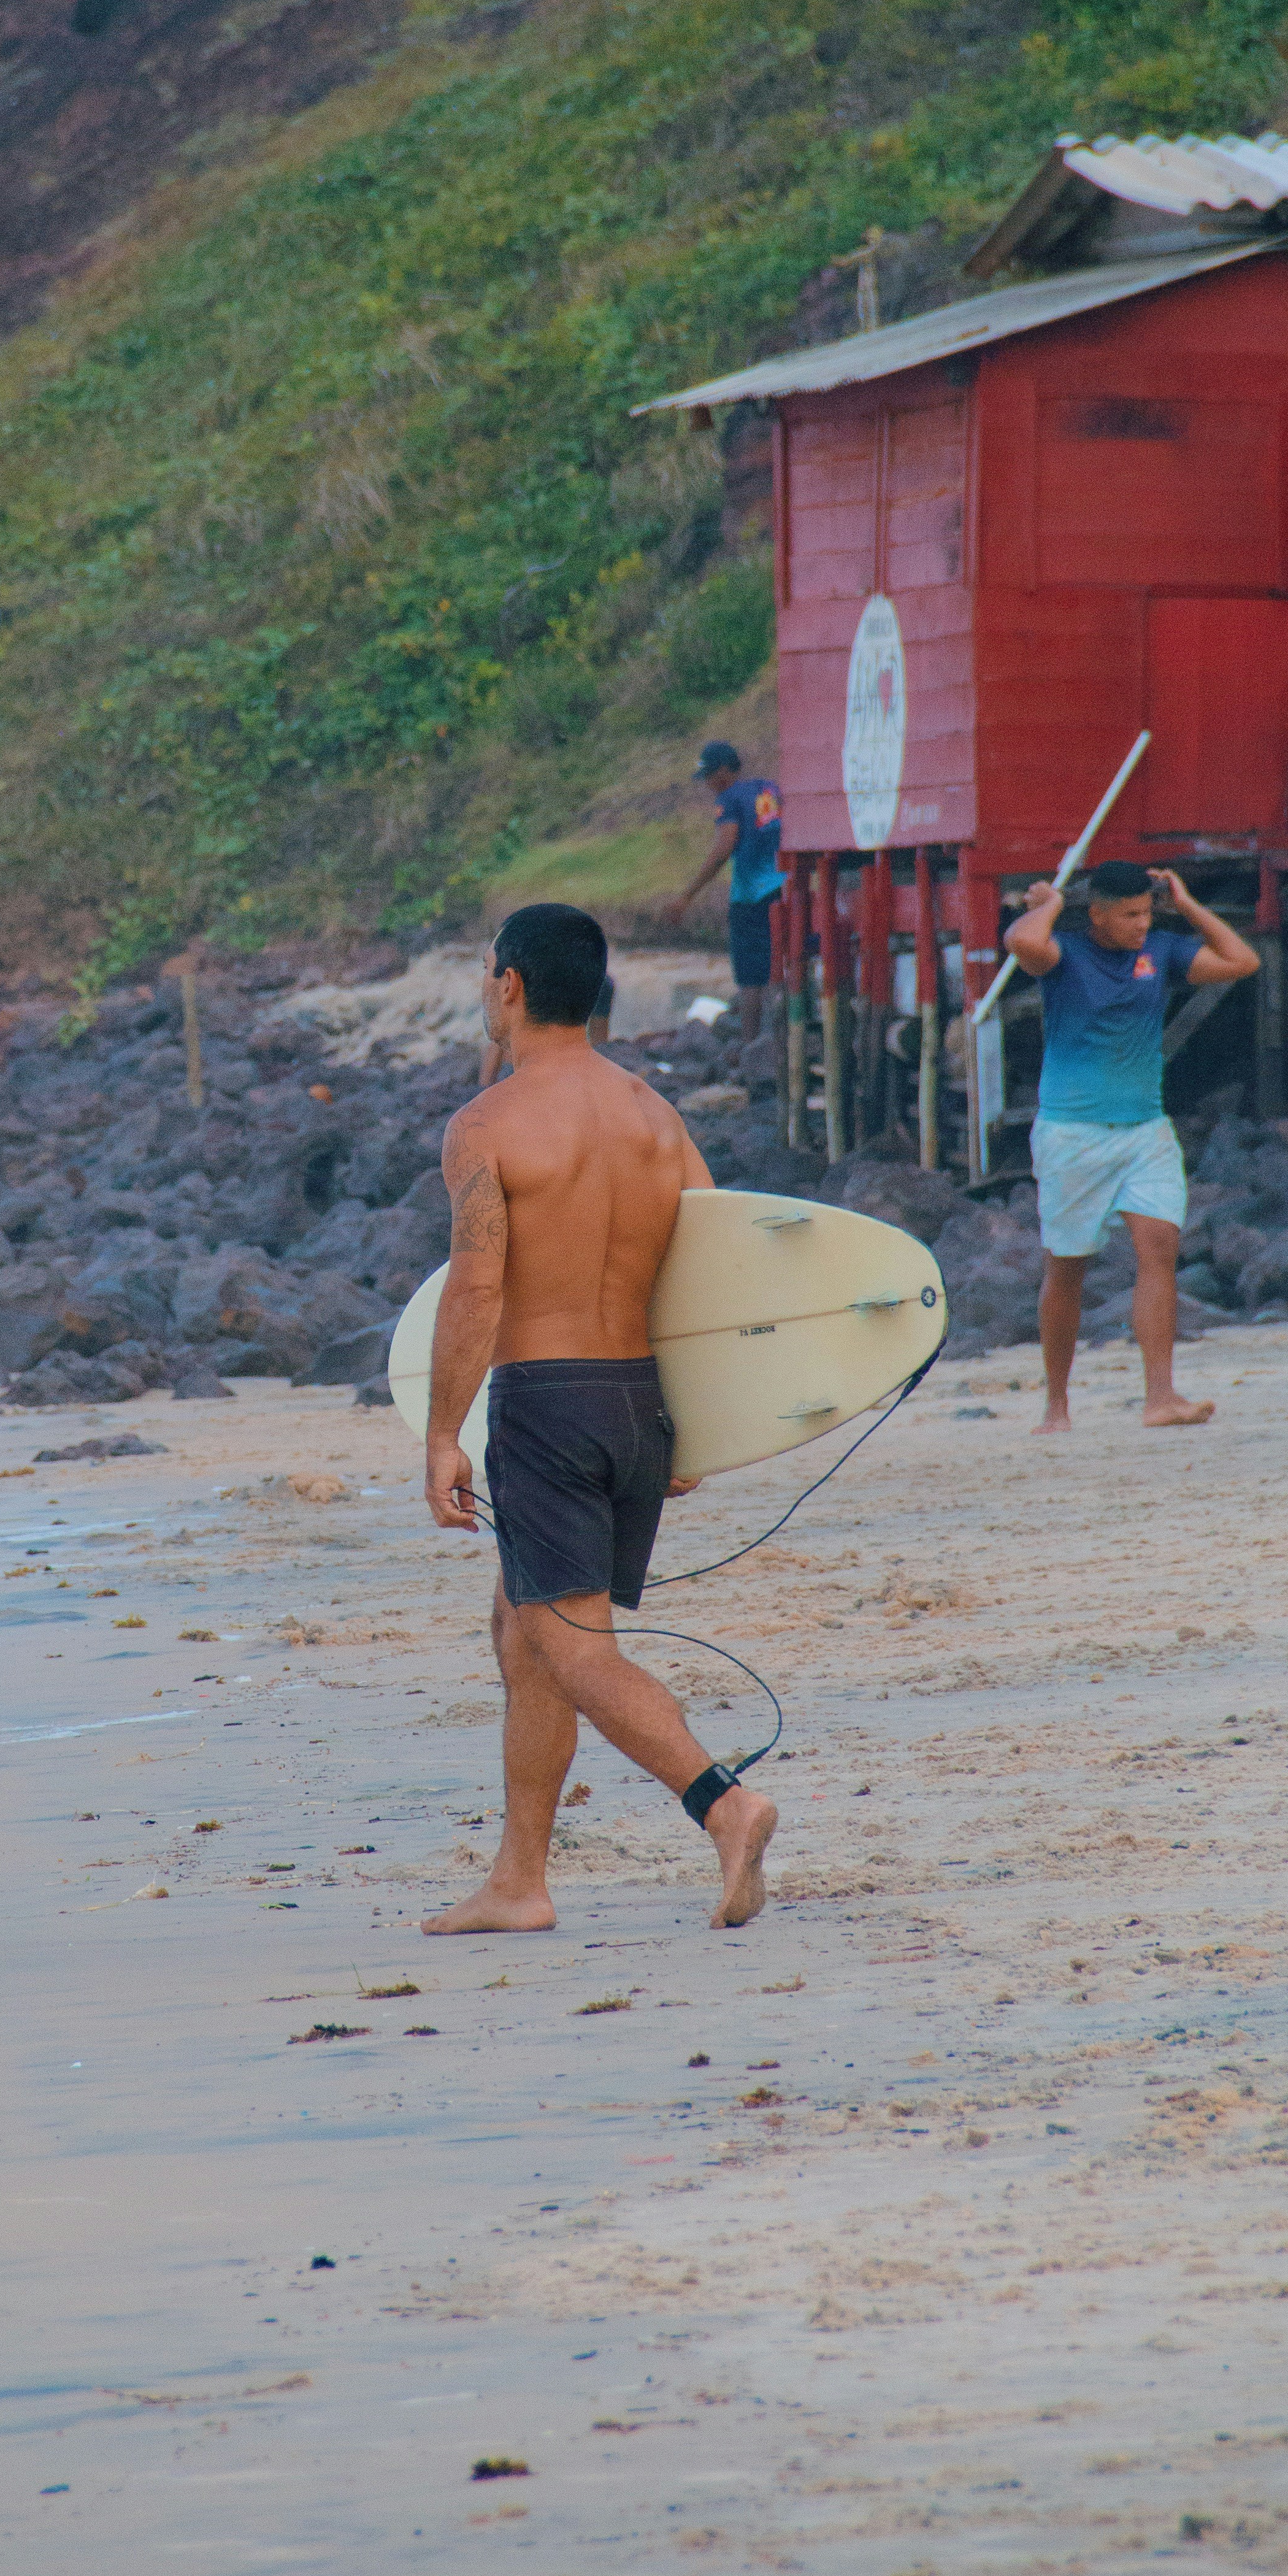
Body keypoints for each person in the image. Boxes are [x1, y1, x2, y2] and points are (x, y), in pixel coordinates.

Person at [421, 900, 776, 1936]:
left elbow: (475, 1291)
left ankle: (723, 1803)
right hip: (635, 1401)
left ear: (510, 985)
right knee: (523, 1630)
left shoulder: (486, 1125)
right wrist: (693, 1423)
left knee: (572, 1644)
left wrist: (443, 1435)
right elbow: (710, 1267)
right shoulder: (651, 1114)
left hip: (545, 1401)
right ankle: (519, 1881)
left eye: (487, 974)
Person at [1004, 859, 1257, 1433]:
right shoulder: (1063, 953)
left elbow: (1243, 961)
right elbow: (1021, 939)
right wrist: (1050, 902)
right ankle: (1057, 1407)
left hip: (1146, 1130)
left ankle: (1161, 1398)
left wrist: (1187, 905)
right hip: (1073, 1134)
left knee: (1159, 1253)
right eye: (1129, 916)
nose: (1142, 924)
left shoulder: (1164, 951)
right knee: (1067, 1267)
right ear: (1097, 915)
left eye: (1147, 912)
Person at [673, 740, 783, 1045]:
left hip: (750, 896)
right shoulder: (768, 791)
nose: (708, 784)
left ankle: (751, 1048)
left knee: (750, 976)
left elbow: (725, 848)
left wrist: (688, 895)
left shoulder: (729, 799)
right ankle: (782, 1040)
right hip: (783, 890)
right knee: (780, 965)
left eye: (709, 776)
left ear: (723, 772)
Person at [478, 963, 612, 1090]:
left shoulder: (527, 973)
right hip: (554, 1078)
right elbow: (600, 1047)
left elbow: (599, 1045)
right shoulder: (599, 981)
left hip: (527, 1075)